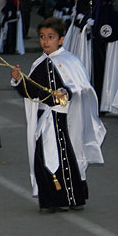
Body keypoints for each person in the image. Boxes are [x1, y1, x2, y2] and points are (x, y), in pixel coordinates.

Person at [11, 18, 105, 213]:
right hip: (46, 117)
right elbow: (32, 91)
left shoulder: (69, 61)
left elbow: (81, 89)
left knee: (56, 156)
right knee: (56, 156)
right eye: (42, 37)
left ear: (61, 40)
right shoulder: (41, 63)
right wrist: (19, 80)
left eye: (51, 37)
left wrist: (65, 93)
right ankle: (66, 197)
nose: (45, 41)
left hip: (60, 118)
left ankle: (60, 198)